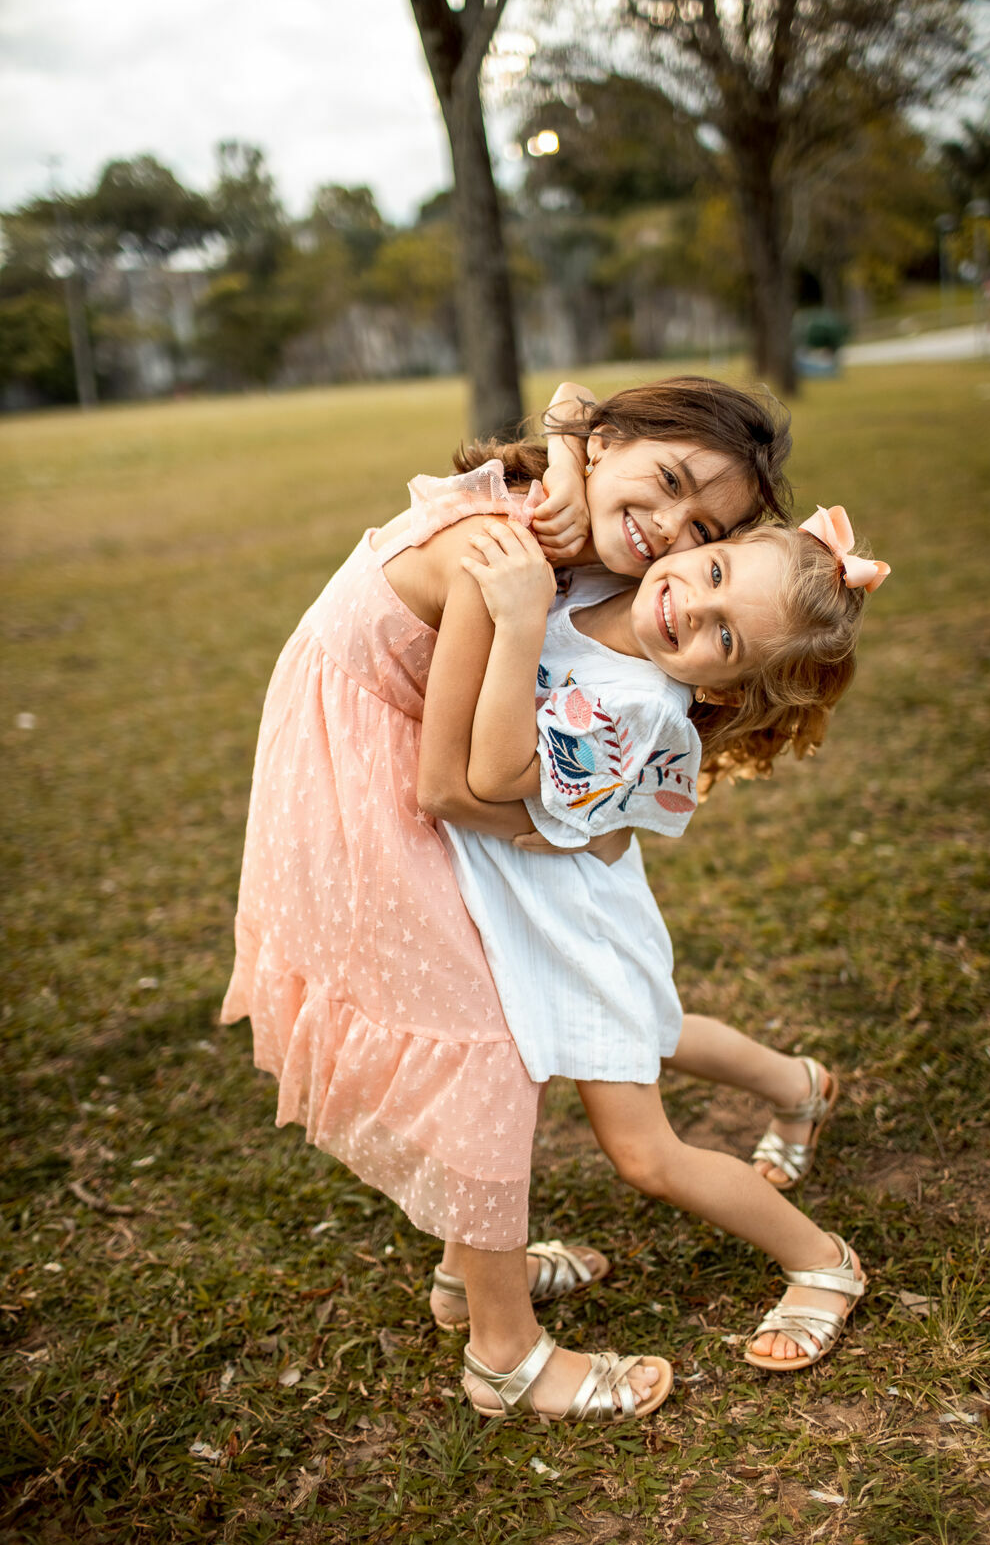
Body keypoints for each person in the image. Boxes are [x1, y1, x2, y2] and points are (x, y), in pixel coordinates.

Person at [221, 374, 793, 1423]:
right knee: (485, 1036)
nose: (666, 529)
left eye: (702, 527)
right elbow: (448, 787)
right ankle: (506, 1353)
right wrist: (559, 831)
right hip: (372, 764)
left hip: (396, 737)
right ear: (614, 443)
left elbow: (573, 398)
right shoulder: (515, 560)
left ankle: (463, 1272)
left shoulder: (569, 512)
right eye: (665, 484)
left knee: (490, 1005)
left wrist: (578, 455)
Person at [432, 491, 887, 1406]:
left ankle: (823, 1260)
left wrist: (518, 621)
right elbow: (581, 424)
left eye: (723, 637)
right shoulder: (599, 588)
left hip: (581, 935)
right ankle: (798, 1085)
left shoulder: (640, 704)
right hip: (555, 916)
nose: (691, 605)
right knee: (662, 1030)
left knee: (644, 1154)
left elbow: (487, 776)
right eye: (713, 573)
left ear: (721, 687)